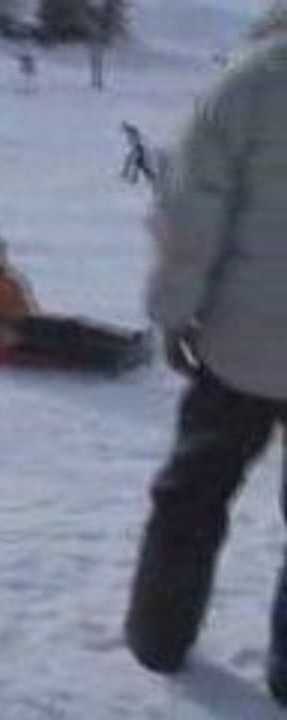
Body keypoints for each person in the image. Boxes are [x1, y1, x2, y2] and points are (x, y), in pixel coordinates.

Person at [123, 1, 287, 704]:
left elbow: (189, 213)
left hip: (242, 345)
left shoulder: (250, 82)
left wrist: (173, 313)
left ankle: (158, 635)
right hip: (247, 341)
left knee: (192, 493)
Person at [0, 205, 151, 374]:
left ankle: (125, 343)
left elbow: (16, 299)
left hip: (16, 327)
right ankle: (110, 359)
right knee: (57, 349)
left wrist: (28, 322)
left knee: (67, 328)